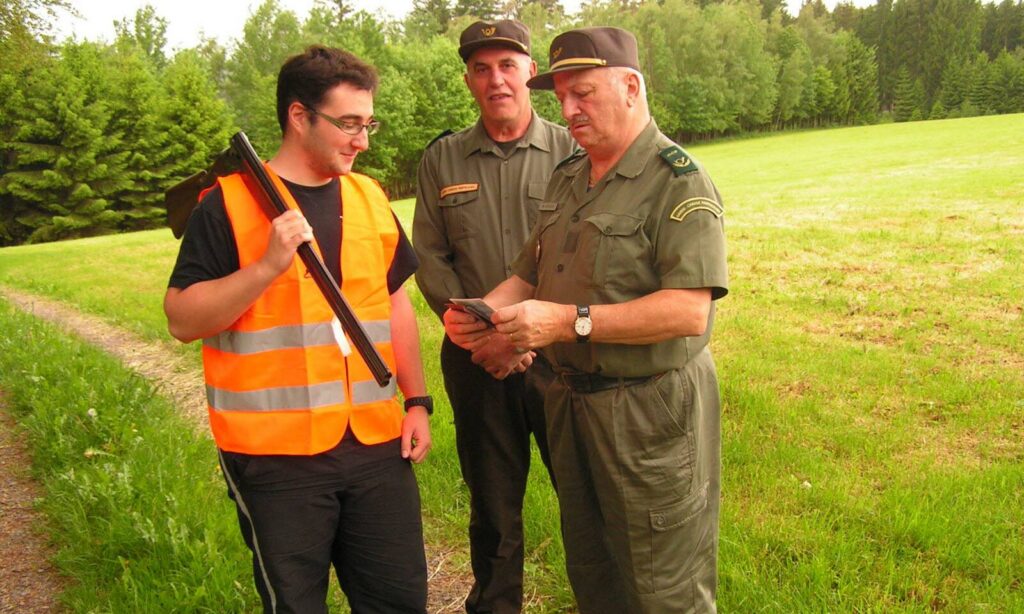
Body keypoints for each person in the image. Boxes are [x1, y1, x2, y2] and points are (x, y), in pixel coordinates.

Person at [444, 27, 729, 614]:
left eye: (583, 94)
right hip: (572, 406)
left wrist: (567, 323)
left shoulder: (677, 180)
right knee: (595, 574)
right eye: (561, 97)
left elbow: (687, 310)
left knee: (662, 587)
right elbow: (528, 274)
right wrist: (481, 317)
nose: (568, 111)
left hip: (650, 412)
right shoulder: (571, 176)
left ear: (630, 87)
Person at [164, 45, 431, 614]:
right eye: (349, 123)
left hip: (378, 446)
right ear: (299, 116)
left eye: (368, 123)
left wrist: (417, 401)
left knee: (400, 601)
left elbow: (394, 305)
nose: (363, 139)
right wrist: (264, 268)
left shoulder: (370, 196)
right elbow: (182, 319)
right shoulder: (229, 204)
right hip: (275, 458)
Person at [412, 19, 577, 614]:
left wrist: (530, 336)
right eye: (481, 69)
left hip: (561, 359)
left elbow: (585, 253)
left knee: (582, 499)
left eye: (507, 65)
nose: (496, 79)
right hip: (476, 361)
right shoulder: (442, 158)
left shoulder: (573, 148)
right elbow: (429, 255)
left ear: (530, 72)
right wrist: (482, 336)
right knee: (493, 503)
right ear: (467, 80)